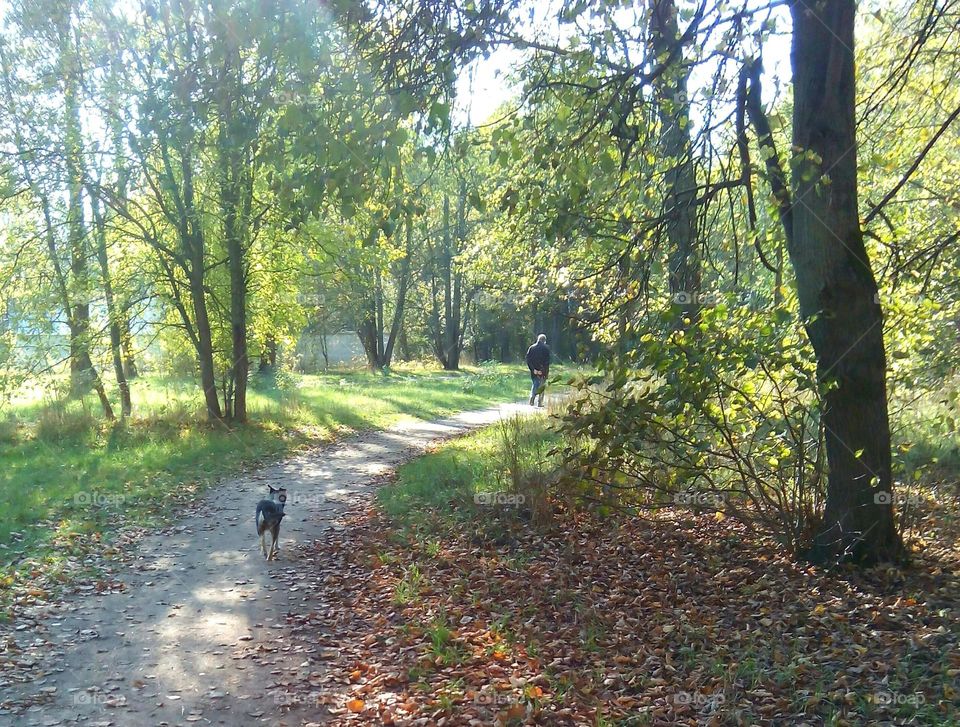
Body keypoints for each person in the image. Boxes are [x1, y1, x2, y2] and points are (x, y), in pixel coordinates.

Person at [525, 333, 551, 407]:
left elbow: (528, 360)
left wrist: (533, 369)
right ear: (544, 340)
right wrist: (543, 371)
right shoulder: (546, 348)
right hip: (543, 371)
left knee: (535, 384)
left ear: (538, 339)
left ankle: (532, 399)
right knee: (541, 386)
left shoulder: (531, 348)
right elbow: (547, 362)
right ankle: (540, 402)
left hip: (534, 370)